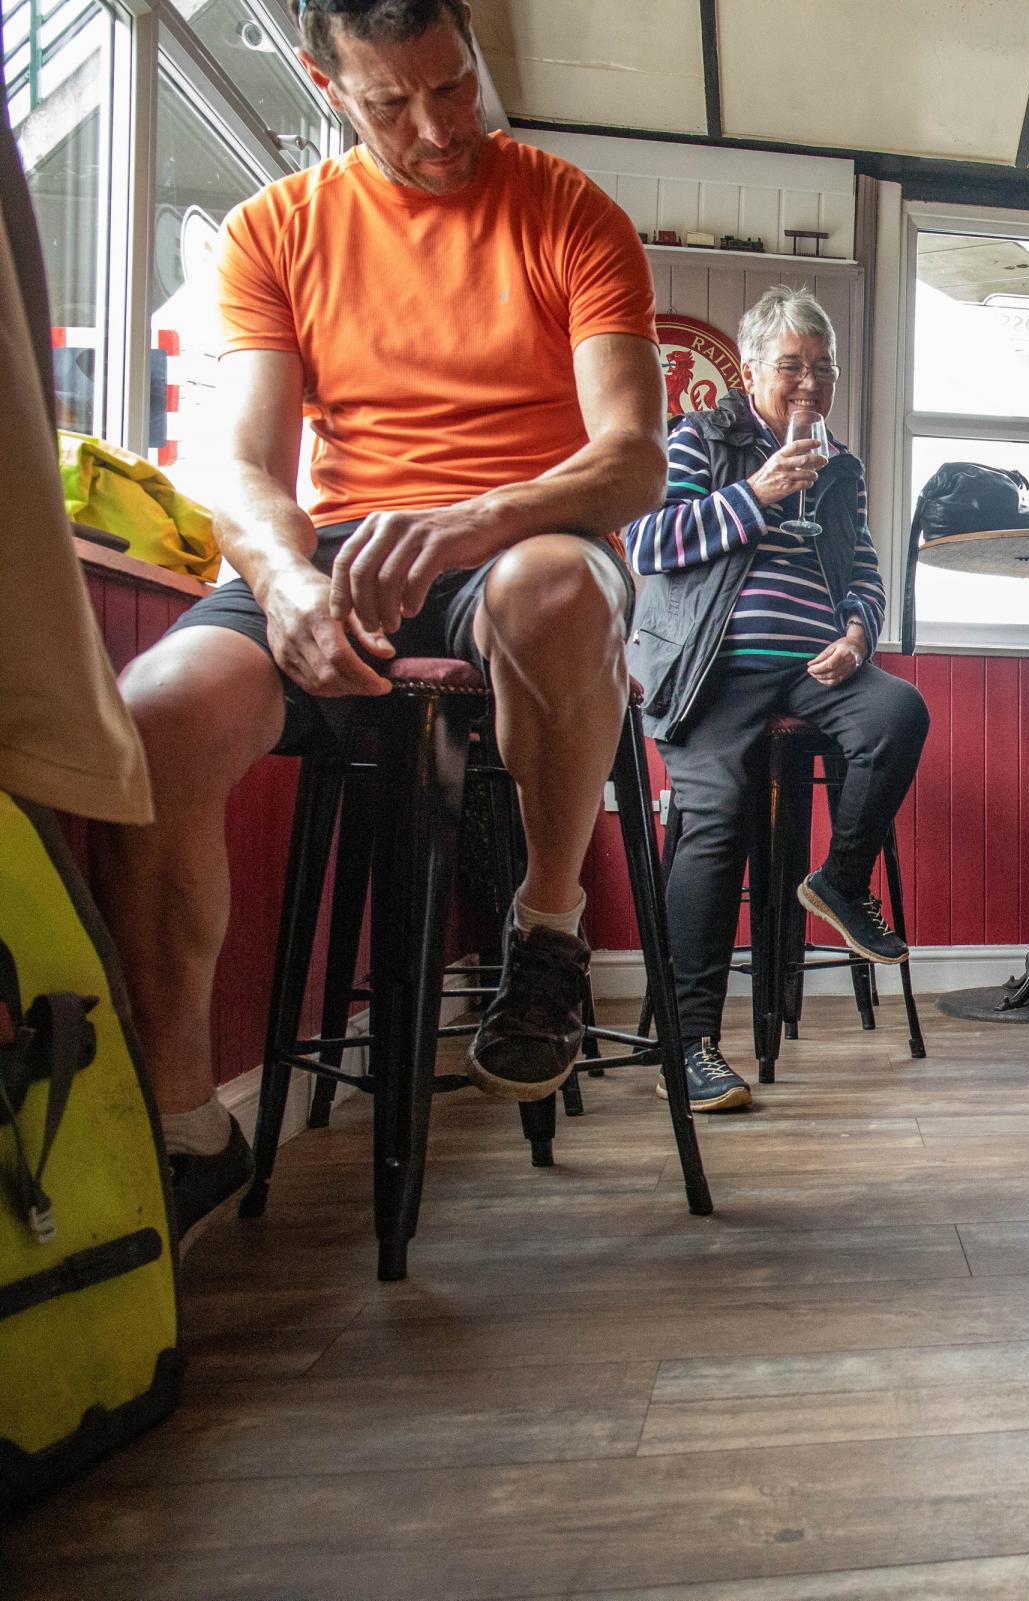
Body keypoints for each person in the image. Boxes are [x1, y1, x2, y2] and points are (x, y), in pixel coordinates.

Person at [93, 0, 667, 1233]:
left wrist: (473, 519)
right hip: (343, 550)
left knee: (556, 583)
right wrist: (290, 577)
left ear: (469, 50)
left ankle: (548, 932)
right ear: (325, 83)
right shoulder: (275, 229)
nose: (438, 126)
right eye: (393, 102)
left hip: (528, 537)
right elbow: (239, 467)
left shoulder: (570, 210)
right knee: (149, 724)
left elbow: (632, 461)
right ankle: (186, 1129)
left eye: (453, 87)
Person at [624, 285, 926, 1111]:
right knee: (718, 817)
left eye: (822, 369)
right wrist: (753, 494)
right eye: (792, 366)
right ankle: (686, 1047)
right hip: (711, 666)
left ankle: (838, 879)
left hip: (812, 669)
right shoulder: (699, 436)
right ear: (751, 369)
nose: (809, 384)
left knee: (899, 713)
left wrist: (861, 633)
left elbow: (862, 567)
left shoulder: (842, 466)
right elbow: (647, 539)